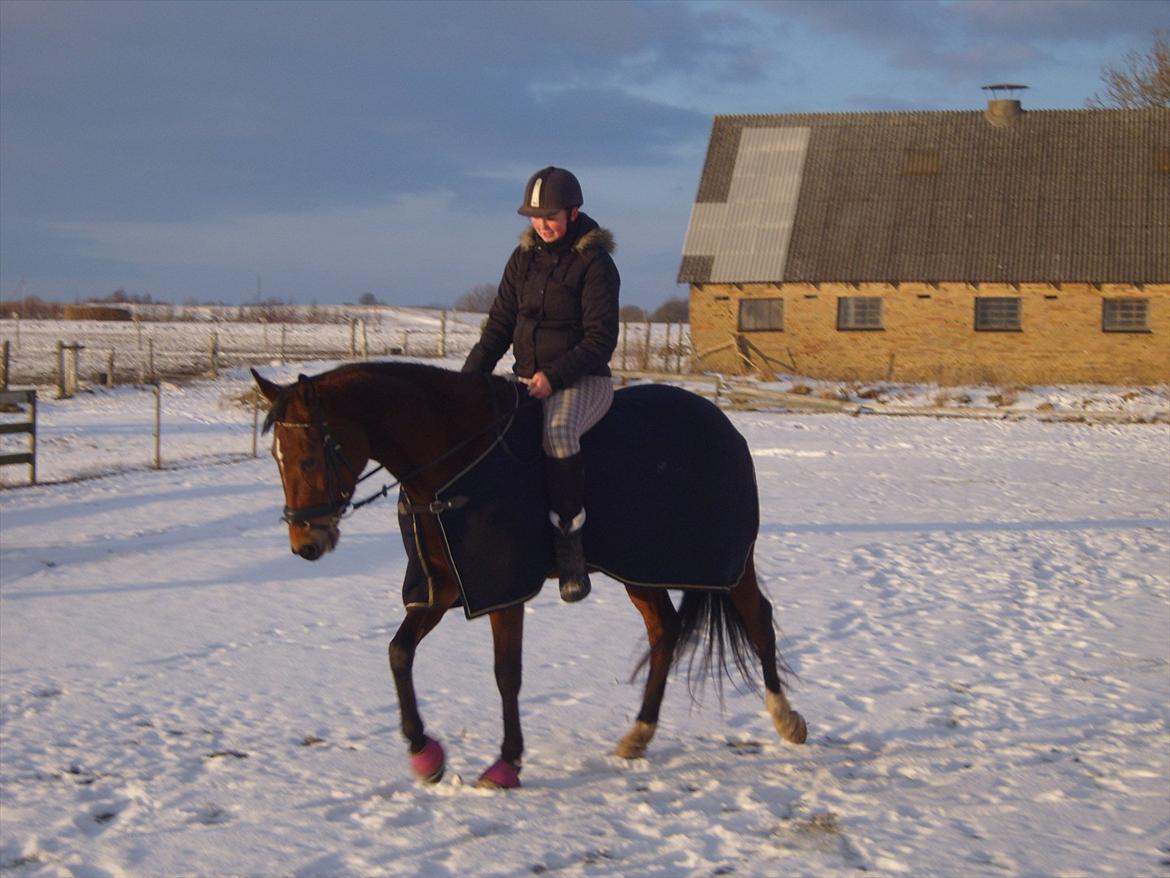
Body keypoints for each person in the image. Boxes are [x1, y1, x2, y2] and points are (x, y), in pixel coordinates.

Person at [462, 166, 620, 603]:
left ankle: (571, 552)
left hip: (583, 380)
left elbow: (600, 340)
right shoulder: (523, 259)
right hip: (528, 379)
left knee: (557, 432)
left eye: (549, 216)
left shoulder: (595, 264)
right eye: (534, 216)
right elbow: (498, 328)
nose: (541, 225)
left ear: (573, 212)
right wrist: (463, 386)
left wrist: (555, 375)